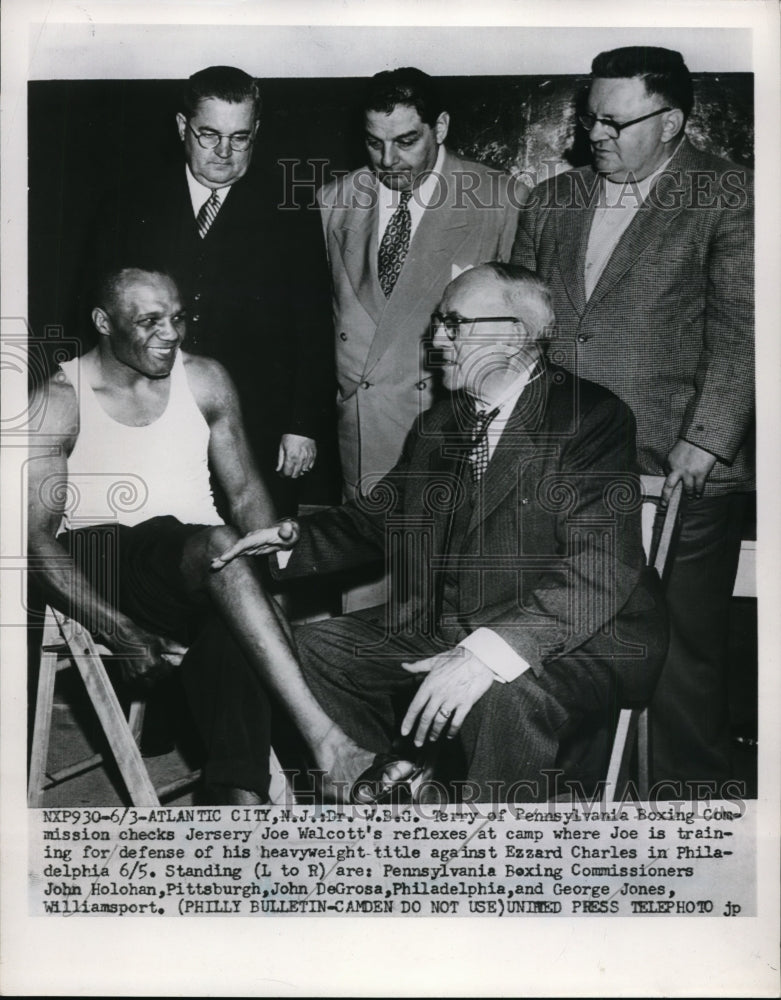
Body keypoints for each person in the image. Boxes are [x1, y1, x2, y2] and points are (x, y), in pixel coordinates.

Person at [212, 264, 667, 803]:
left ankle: (484, 849)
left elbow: (598, 567)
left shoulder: (590, 418)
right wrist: (290, 541)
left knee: (501, 691)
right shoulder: (440, 425)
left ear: (514, 334)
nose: (436, 339)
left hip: (571, 636)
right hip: (449, 623)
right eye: (437, 324)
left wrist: (487, 654)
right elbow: (380, 518)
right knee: (303, 653)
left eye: (454, 323)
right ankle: (390, 790)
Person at [27, 265, 375, 805]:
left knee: (233, 628)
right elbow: (34, 540)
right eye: (149, 321)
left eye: (177, 317)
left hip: (197, 566)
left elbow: (246, 494)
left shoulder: (205, 378)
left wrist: (269, 573)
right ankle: (326, 742)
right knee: (219, 548)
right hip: (104, 559)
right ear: (103, 321)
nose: (171, 333)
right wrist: (118, 629)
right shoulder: (59, 398)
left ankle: (238, 801)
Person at [511, 46, 755, 793]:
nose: (596, 135)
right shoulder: (551, 200)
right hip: (564, 467)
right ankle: (578, 808)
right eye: (591, 119)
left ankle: (695, 819)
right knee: (568, 642)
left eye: (615, 122)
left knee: (678, 659)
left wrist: (704, 441)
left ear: (671, 122)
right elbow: (518, 328)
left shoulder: (729, 195)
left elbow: (748, 329)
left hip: (676, 470)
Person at [86, 66, 334, 514]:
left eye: (240, 138)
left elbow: (314, 323)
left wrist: (303, 425)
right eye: (209, 135)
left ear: (256, 131)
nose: (224, 151)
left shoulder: (291, 209)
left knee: (259, 542)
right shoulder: (129, 204)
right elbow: (99, 322)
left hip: (258, 425)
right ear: (183, 126)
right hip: (153, 414)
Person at [319, 67, 523, 502]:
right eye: (374, 142)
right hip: (363, 438)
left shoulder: (500, 201)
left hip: (451, 435)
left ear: (440, 127)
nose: (387, 160)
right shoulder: (334, 201)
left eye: (406, 141)